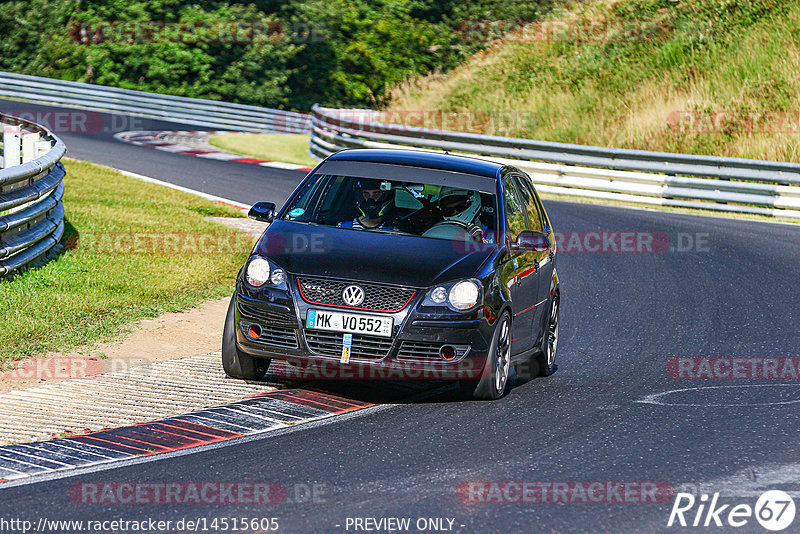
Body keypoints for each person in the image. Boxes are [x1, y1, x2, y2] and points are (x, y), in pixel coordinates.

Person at [424, 186, 494, 243]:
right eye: (448, 209)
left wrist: (482, 244)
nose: (454, 212)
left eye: (460, 206)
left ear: (474, 201)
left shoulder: (493, 235)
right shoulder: (434, 231)